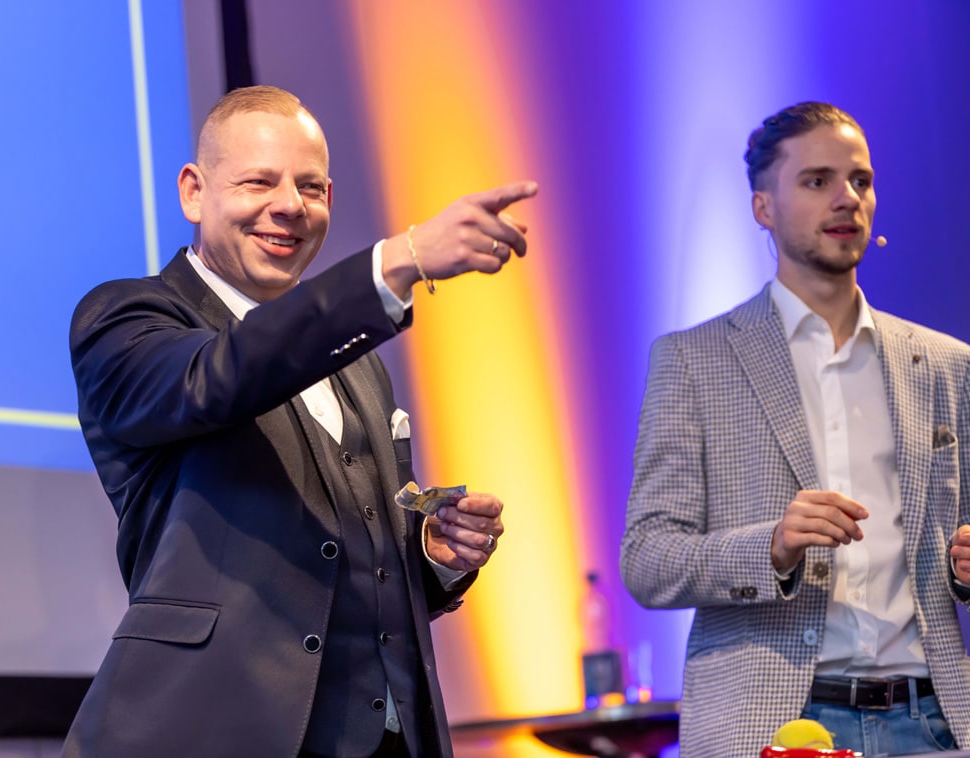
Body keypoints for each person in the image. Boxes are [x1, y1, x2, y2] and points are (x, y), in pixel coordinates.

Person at [63, 85, 536, 757]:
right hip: (221, 737)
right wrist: (394, 261)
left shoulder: (358, 363)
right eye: (259, 181)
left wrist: (430, 558)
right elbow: (219, 377)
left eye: (310, 187)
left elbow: (354, 572)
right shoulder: (127, 319)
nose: (290, 205)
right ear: (194, 191)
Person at [620, 101, 970, 756]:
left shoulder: (949, 365)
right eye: (817, 181)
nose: (847, 199)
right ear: (764, 207)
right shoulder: (694, 360)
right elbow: (648, 559)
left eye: (861, 181)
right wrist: (773, 546)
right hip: (773, 722)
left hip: (933, 720)